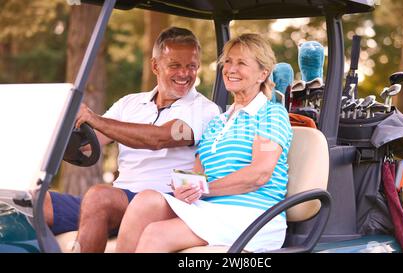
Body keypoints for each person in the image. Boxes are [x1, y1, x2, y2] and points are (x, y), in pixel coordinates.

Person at [44, 27, 220, 252]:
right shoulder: (130, 104)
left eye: (191, 66)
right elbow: (88, 145)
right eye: (175, 65)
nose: (185, 74)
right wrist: (62, 128)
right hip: (120, 200)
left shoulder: (204, 110)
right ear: (155, 65)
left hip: (162, 202)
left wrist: (94, 118)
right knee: (36, 203)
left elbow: (158, 138)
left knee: (99, 196)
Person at [115, 33, 293, 253]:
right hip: (211, 209)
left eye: (241, 63)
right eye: (227, 62)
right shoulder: (218, 122)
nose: (231, 69)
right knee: (145, 200)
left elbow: (259, 175)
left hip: (253, 215)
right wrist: (184, 186)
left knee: (155, 234)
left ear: (262, 74)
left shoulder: (271, 114)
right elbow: (198, 174)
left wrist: (203, 189)